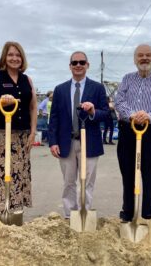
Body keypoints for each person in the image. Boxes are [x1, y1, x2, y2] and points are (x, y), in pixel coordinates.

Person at [115, 44, 151, 222]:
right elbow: (119, 101)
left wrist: (149, 115)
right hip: (128, 130)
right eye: (140, 55)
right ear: (135, 59)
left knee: (150, 173)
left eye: (148, 55)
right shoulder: (127, 79)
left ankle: (148, 213)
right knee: (127, 171)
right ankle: (128, 211)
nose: (144, 58)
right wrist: (133, 114)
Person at [49, 51, 109, 219]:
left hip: (89, 143)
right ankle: (69, 215)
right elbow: (54, 118)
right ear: (70, 66)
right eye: (74, 63)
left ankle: (84, 215)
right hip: (66, 143)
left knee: (87, 182)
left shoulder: (97, 88)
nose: (78, 65)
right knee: (68, 182)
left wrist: (93, 111)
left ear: (87, 65)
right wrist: (53, 141)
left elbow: (105, 114)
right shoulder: (60, 90)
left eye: (82, 62)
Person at [0, 41, 37, 218]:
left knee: (18, 174)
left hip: (22, 135)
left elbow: (33, 107)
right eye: (11, 54)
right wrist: (1, 103)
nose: (14, 58)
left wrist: (33, 132)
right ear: (4, 57)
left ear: (22, 58)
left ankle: (14, 211)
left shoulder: (27, 80)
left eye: (18, 55)